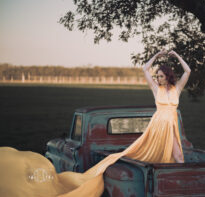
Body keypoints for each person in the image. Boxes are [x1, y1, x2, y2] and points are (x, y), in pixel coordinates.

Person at [0, 49, 191, 197]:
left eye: (160, 75)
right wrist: (157, 55)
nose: (157, 78)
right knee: (153, 155)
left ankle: (183, 185)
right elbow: (144, 69)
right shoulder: (155, 89)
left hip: (171, 124)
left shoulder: (177, 88)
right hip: (157, 126)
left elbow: (188, 70)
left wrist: (176, 55)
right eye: (156, 75)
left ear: (168, 75)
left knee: (177, 154)